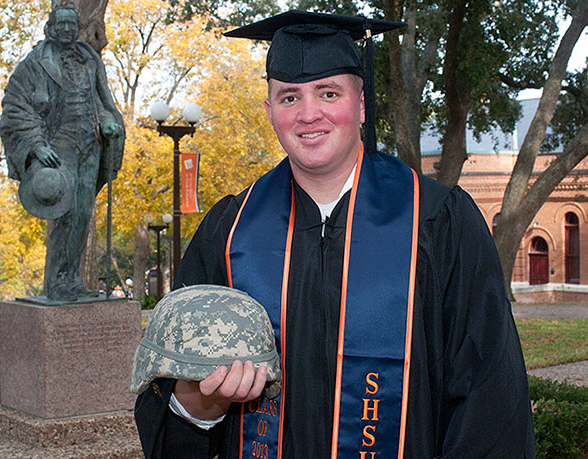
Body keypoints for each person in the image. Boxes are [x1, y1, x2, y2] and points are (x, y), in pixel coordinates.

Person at [134, 10, 535, 459]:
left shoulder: (438, 221)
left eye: (328, 93)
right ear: (270, 112)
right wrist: (200, 404)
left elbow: (490, 398)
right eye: (289, 98)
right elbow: (171, 400)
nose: (309, 114)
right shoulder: (227, 231)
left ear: (361, 104)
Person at [0, 6, 125, 301]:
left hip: (90, 142)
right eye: (61, 24)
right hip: (59, 144)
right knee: (64, 214)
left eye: (72, 23)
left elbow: (100, 99)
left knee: (82, 213)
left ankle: (72, 278)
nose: (67, 29)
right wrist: (36, 144)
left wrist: (107, 120)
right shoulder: (34, 64)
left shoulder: (90, 59)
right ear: (51, 28)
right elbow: (15, 108)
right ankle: (55, 281)